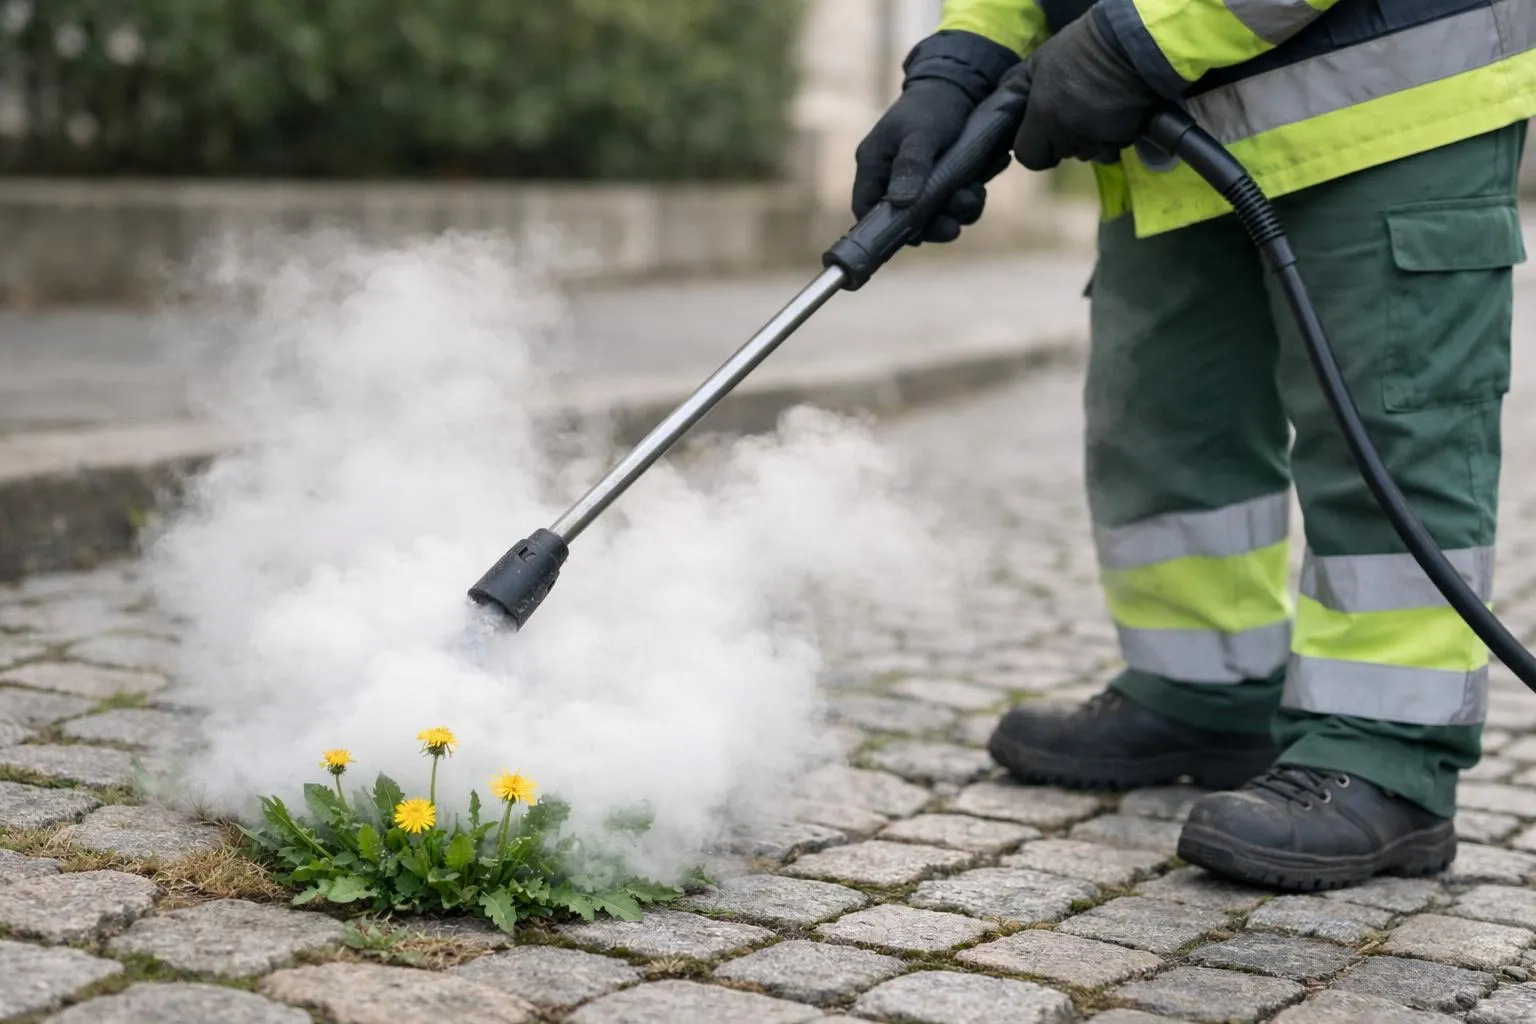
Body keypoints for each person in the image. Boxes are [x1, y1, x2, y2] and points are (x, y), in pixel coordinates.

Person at [854, 0, 1536, 890]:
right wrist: (960, 64)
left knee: (1387, 435)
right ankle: (1205, 687)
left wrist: (1135, 39)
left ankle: (1388, 752)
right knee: (1170, 415)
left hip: (1387, 103)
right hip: (1165, 131)